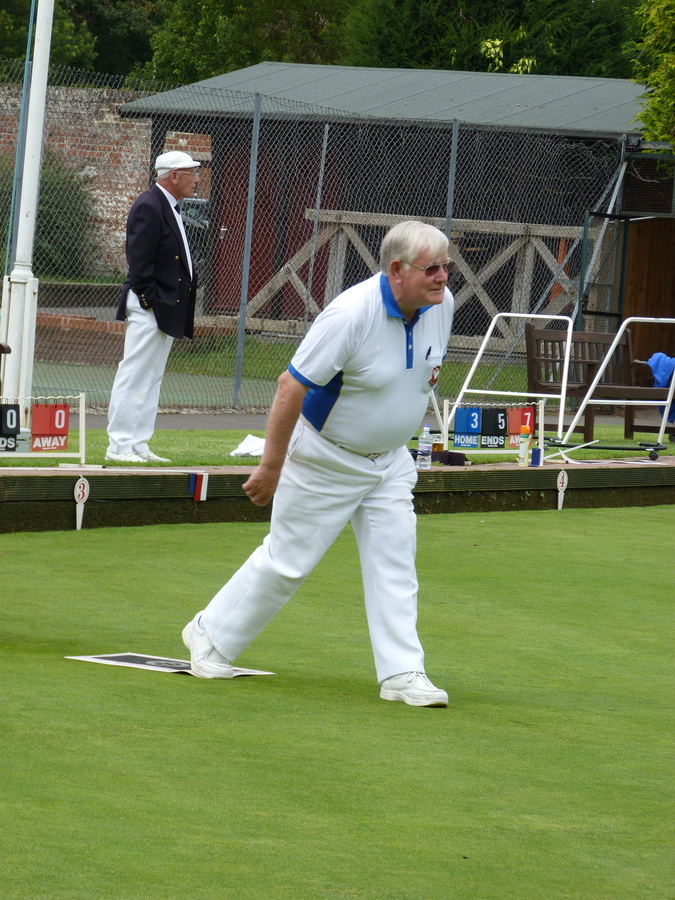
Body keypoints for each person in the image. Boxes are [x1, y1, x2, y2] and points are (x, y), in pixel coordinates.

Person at [183, 220, 455, 706]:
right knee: (288, 562)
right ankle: (209, 634)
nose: (442, 277)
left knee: (395, 563)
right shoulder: (351, 314)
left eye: (447, 267)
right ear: (396, 269)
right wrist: (271, 465)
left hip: (389, 463)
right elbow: (292, 386)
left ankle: (401, 674)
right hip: (324, 458)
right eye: (431, 268)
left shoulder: (441, 306)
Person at [105, 150, 201, 463]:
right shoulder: (149, 204)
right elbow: (139, 262)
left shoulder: (168, 206)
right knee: (134, 375)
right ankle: (119, 446)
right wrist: (149, 301)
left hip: (164, 306)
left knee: (152, 378)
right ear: (173, 176)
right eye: (191, 174)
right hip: (150, 306)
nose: (197, 180)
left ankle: (139, 444)